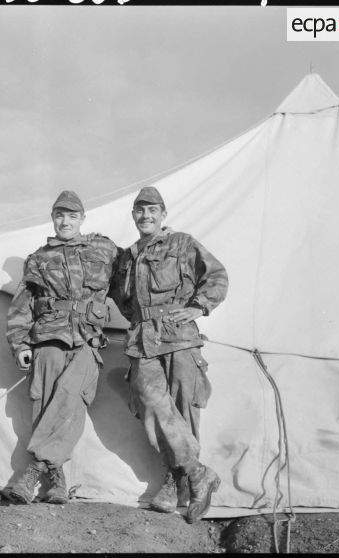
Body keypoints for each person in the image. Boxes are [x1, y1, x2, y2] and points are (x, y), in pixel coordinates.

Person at [109, 186, 228, 523]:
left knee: (183, 408)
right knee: (151, 405)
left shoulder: (182, 243)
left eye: (152, 210)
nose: (145, 216)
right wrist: (140, 317)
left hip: (179, 338)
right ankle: (197, 472)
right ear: (133, 216)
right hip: (142, 339)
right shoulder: (127, 256)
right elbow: (122, 298)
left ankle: (177, 484)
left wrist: (197, 307)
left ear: (163, 214)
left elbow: (216, 275)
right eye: (140, 211)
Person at [3, 190, 118, 505]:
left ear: (83, 218)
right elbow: (21, 307)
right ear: (53, 219)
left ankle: (33, 471)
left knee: (70, 399)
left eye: (72, 216)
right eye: (59, 215)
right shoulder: (38, 259)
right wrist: (19, 343)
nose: (65, 221)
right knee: (45, 406)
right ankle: (56, 480)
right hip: (47, 339)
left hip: (87, 339)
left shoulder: (104, 249)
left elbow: (132, 282)